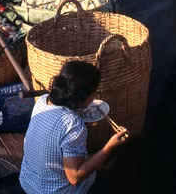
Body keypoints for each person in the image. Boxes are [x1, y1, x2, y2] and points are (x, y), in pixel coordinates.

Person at [19, 60, 129, 194]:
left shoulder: (43, 101)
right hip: (53, 191)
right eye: (94, 92)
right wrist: (109, 147)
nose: (95, 97)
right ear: (83, 95)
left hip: (28, 182)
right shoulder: (72, 124)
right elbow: (75, 177)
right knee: (111, 172)